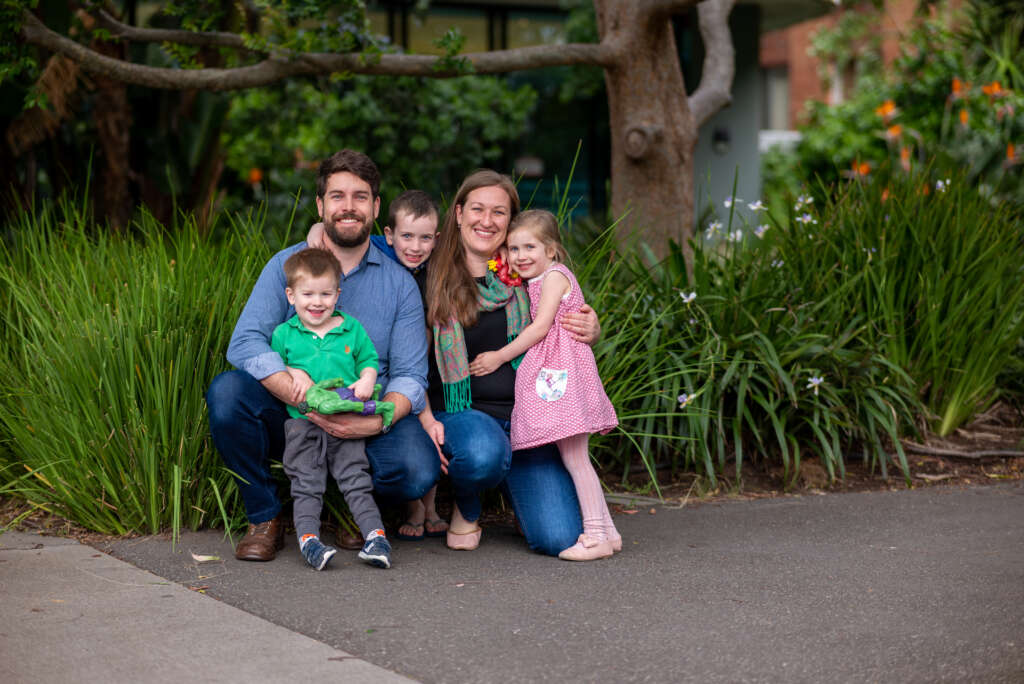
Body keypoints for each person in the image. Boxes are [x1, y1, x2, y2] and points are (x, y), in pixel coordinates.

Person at [206, 149, 437, 562]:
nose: (348, 207)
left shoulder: (399, 283)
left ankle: (351, 511)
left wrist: (376, 416)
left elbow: (410, 375)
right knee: (228, 394)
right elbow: (244, 343)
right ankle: (265, 515)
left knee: (416, 468)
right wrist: (299, 392)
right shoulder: (286, 266)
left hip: (366, 411)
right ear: (320, 205)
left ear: (376, 206)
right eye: (337, 196)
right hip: (295, 415)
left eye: (360, 197)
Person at [423, 169, 602, 556]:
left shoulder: (528, 270)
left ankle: (518, 494)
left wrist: (592, 325)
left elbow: (565, 311)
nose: (486, 221)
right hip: (465, 415)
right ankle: (467, 504)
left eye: (499, 212)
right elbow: (387, 245)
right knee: (484, 452)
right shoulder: (431, 271)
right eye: (477, 209)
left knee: (558, 537)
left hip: (529, 418)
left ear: (512, 221)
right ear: (457, 213)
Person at [468, 210, 621, 561]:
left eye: (530, 247)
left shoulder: (553, 277)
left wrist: (499, 357)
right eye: (514, 248)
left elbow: (539, 328)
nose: (521, 256)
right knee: (575, 456)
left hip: (563, 375)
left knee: (576, 458)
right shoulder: (535, 278)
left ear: (552, 250)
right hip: (560, 376)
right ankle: (608, 533)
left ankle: (596, 535)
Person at [313, 189, 449, 541]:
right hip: (389, 378)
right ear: (389, 235)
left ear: (436, 240)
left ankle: (427, 506)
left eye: (424, 239)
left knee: (429, 434)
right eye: (406, 237)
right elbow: (325, 231)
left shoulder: (436, 269)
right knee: (417, 421)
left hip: (429, 369)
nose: (415, 247)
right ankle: (387, 508)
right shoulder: (381, 252)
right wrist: (316, 234)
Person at [272, 247, 393, 570]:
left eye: (325, 294)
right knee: (306, 483)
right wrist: (293, 373)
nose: (317, 302)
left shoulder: (350, 328)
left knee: (356, 478)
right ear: (291, 295)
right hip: (304, 424)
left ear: (337, 294)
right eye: (307, 294)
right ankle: (309, 540)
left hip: (346, 420)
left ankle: (376, 537)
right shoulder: (285, 334)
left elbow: (368, 359)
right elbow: (274, 369)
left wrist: (368, 377)